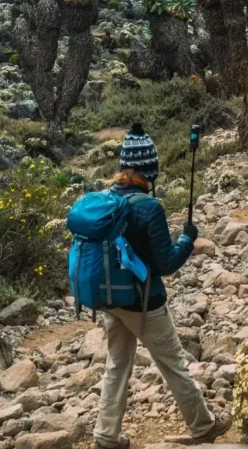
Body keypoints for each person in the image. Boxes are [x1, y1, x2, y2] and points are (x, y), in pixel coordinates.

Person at [93, 125, 229, 449]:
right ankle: (203, 426)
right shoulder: (149, 207)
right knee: (174, 364)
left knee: (117, 365)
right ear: (149, 168)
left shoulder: (106, 199)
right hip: (146, 303)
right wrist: (188, 239)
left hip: (113, 299)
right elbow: (166, 263)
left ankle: (105, 436)